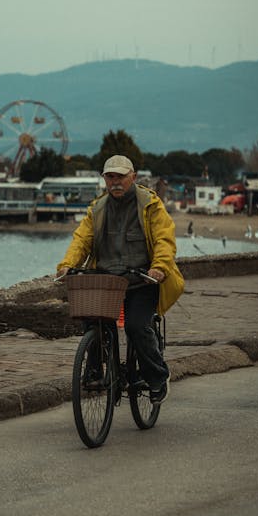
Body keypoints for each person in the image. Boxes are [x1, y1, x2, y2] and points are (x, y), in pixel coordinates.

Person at [57, 155, 184, 403]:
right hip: (108, 281)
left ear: (133, 177)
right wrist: (67, 265)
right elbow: (82, 240)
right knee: (93, 320)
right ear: (104, 179)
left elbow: (164, 240)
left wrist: (158, 268)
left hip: (142, 279)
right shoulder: (98, 208)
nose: (116, 182)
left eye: (121, 177)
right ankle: (95, 371)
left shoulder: (150, 204)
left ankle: (158, 376)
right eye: (110, 177)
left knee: (137, 326)